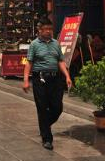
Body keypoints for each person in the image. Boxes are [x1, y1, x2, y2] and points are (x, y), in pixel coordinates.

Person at [22, 18, 72, 150]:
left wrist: (67, 76)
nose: (49, 31)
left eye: (50, 29)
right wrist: (26, 80)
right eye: (46, 29)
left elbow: (60, 61)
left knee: (57, 108)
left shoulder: (56, 43)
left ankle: (44, 126)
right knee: (42, 108)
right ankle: (47, 139)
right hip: (40, 79)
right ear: (40, 30)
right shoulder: (34, 45)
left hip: (55, 79)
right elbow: (29, 63)